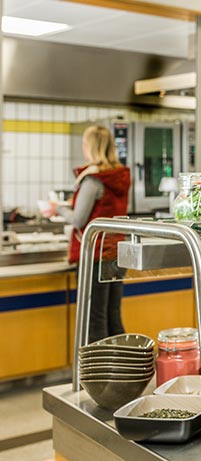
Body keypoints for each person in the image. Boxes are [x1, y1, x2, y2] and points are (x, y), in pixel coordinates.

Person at [56, 125, 131, 343]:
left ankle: (100, 374)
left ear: (91, 147)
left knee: (95, 320)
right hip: (117, 252)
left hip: (96, 255)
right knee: (113, 316)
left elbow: (78, 219)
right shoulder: (119, 176)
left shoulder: (93, 180)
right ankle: (123, 370)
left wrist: (58, 209)